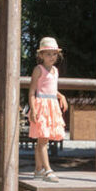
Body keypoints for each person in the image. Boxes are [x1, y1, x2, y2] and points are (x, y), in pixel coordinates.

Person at [29, 37, 68, 182]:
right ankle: (48, 170)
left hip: (52, 106)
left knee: (43, 139)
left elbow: (51, 89)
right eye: (48, 54)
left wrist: (61, 95)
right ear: (41, 56)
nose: (52, 57)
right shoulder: (38, 70)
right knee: (43, 140)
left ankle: (38, 169)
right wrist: (33, 110)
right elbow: (33, 91)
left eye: (54, 54)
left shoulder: (55, 71)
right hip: (42, 107)